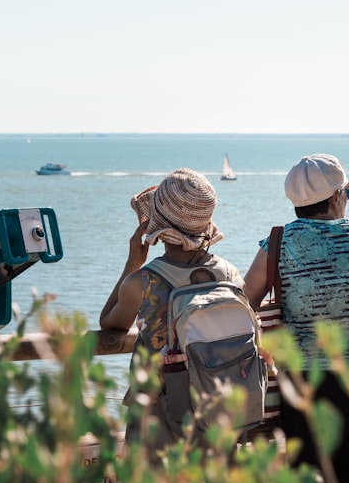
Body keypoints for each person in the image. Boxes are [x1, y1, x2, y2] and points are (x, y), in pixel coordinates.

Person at [243, 154, 349, 483]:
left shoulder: (278, 246)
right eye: (348, 192)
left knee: (314, 481)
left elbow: (246, 301)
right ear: (337, 197)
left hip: (309, 379)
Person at [99, 168, 245, 453]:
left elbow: (109, 322)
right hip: (216, 411)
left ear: (157, 228)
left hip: (158, 416)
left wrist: (133, 262)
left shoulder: (142, 282)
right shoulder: (229, 274)